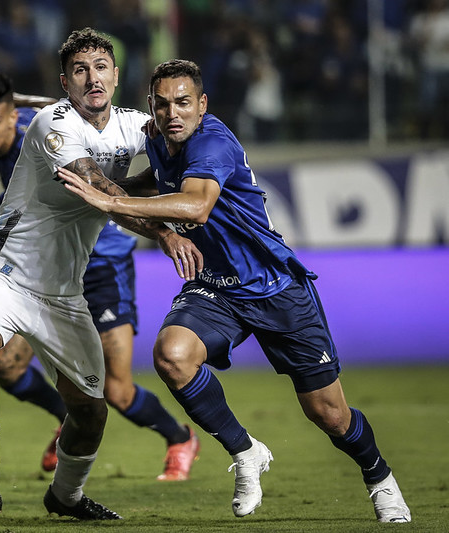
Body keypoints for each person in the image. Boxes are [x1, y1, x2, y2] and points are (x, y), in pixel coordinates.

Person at [59, 59, 411, 523]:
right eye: (162, 104)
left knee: (329, 415)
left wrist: (110, 200)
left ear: (202, 105)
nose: (172, 113)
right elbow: (158, 184)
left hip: (274, 286)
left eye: (183, 102)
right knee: (172, 355)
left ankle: (380, 477)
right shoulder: (158, 140)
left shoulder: (212, 141)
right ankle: (245, 451)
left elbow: (197, 205)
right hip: (217, 287)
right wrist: (117, 192)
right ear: (151, 106)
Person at [0, 29, 201, 522]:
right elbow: (100, 188)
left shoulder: (136, 126)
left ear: (115, 74)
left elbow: (182, 149)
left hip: (64, 294)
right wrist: (166, 232)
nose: (94, 77)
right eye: (81, 70)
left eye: (102, 67)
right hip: (0, 276)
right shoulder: (53, 122)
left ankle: (65, 497)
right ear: (66, 83)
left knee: (91, 411)